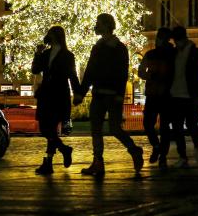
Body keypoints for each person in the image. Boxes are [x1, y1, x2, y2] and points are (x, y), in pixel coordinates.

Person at [74, 13, 143, 177]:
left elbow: (122, 72)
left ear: (106, 25)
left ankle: (134, 150)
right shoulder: (97, 47)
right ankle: (98, 162)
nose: (95, 26)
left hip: (112, 95)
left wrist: (120, 93)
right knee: (96, 129)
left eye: (98, 23)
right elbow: (90, 72)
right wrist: (81, 93)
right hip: (98, 94)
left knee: (114, 129)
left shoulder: (119, 48)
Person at [32, 26, 80, 174]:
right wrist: (38, 54)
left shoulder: (67, 55)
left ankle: (49, 162)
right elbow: (35, 70)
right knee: (46, 129)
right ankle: (64, 149)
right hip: (46, 94)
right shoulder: (45, 53)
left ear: (57, 36)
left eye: (51, 33)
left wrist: (78, 93)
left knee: (49, 129)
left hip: (58, 95)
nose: (48, 35)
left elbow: (72, 75)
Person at [167, 25, 198, 168]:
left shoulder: (197, 54)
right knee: (177, 127)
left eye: (177, 40)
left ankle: (197, 147)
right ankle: (182, 156)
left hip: (190, 96)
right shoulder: (173, 54)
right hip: (175, 95)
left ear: (184, 38)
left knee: (192, 125)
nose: (176, 42)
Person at [137, 27, 175, 170]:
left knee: (154, 125)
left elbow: (141, 71)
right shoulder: (168, 54)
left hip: (159, 94)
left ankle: (159, 150)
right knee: (159, 126)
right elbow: (141, 71)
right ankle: (160, 150)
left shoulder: (156, 54)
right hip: (160, 94)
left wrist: (149, 76)